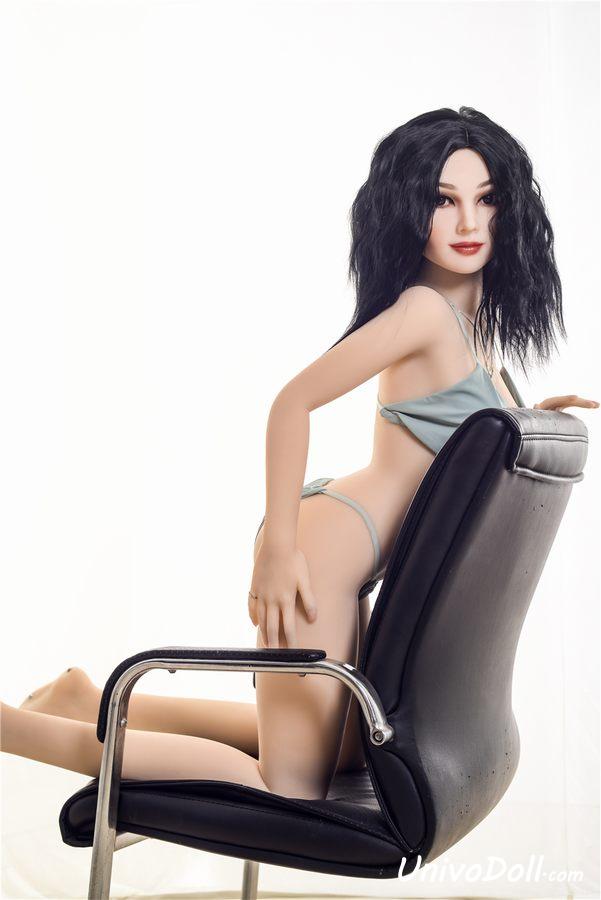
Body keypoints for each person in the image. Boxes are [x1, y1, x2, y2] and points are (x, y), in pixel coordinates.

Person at [1, 106, 597, 800]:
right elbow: (292, 402)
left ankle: (84, 699)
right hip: (320, 556)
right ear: (409, 209)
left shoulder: (470, 322)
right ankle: (16, 730)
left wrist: (528, 414)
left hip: (352, 559)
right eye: (443, 200)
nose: (468, 222)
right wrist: (280, 550)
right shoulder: (423, 311)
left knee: (337, 756)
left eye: (485, 199)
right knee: (289, 785)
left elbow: (459, 433)